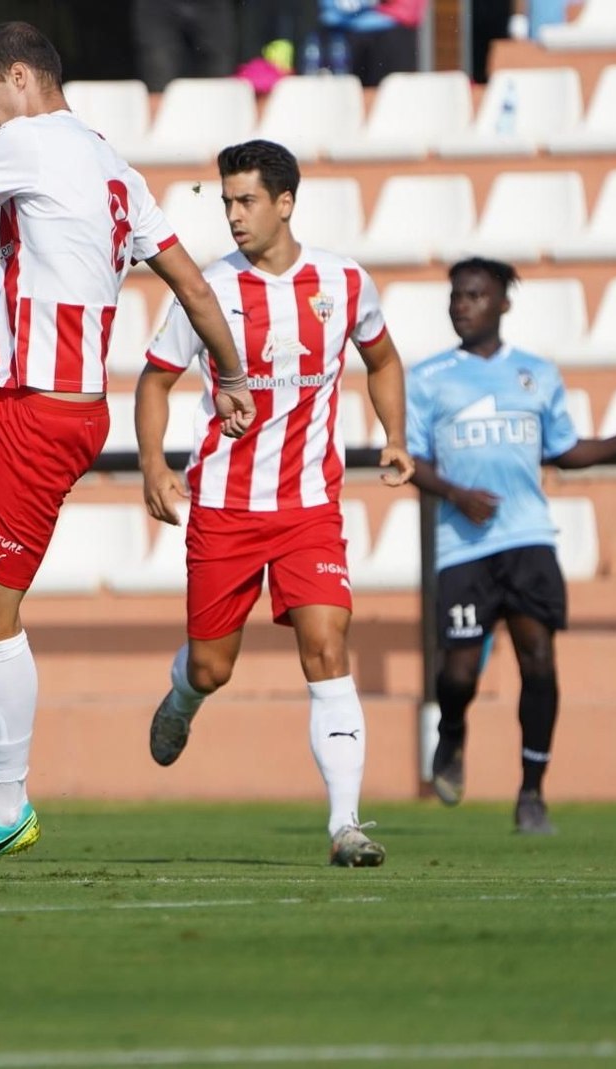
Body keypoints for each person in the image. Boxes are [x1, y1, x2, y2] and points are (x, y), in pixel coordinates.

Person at [0, 20, 257, 875]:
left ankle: (6, 804)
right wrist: (234, 375)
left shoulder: (27, 140)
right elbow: (194, 286)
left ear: (20, 79)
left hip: (41, 415)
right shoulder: (116, 169)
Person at [137, 140, 415, 867]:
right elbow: (155, 380)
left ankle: (345, 824)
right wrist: (154, 464)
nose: (233, 215)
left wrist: (394, 435)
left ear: (285, 202)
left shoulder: (344, 281)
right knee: (212, 668)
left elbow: (382, 358)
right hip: (225, 509)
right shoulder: (206, 289)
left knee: (327, 648)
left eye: (247, 200)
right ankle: (181, 698)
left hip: (309, 507)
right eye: (227, 201)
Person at [406, 257, 616, 834]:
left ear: (502, 304)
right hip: (463, 547)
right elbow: (409, 460)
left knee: (540, 662)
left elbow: (563, 451)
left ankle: (531, 794)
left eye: (475, 295)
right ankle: (452, 733)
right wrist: (454, 491)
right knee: (458, 675)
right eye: (456, 296)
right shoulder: (426, 378)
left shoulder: (537, 374)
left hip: (526, 538)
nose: (462, 305)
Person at [132, 0, 238, 93]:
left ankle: (218, 113)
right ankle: (159, 115)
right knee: (157, 74)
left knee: (219, 73)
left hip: (211, 4)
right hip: (156, 5)